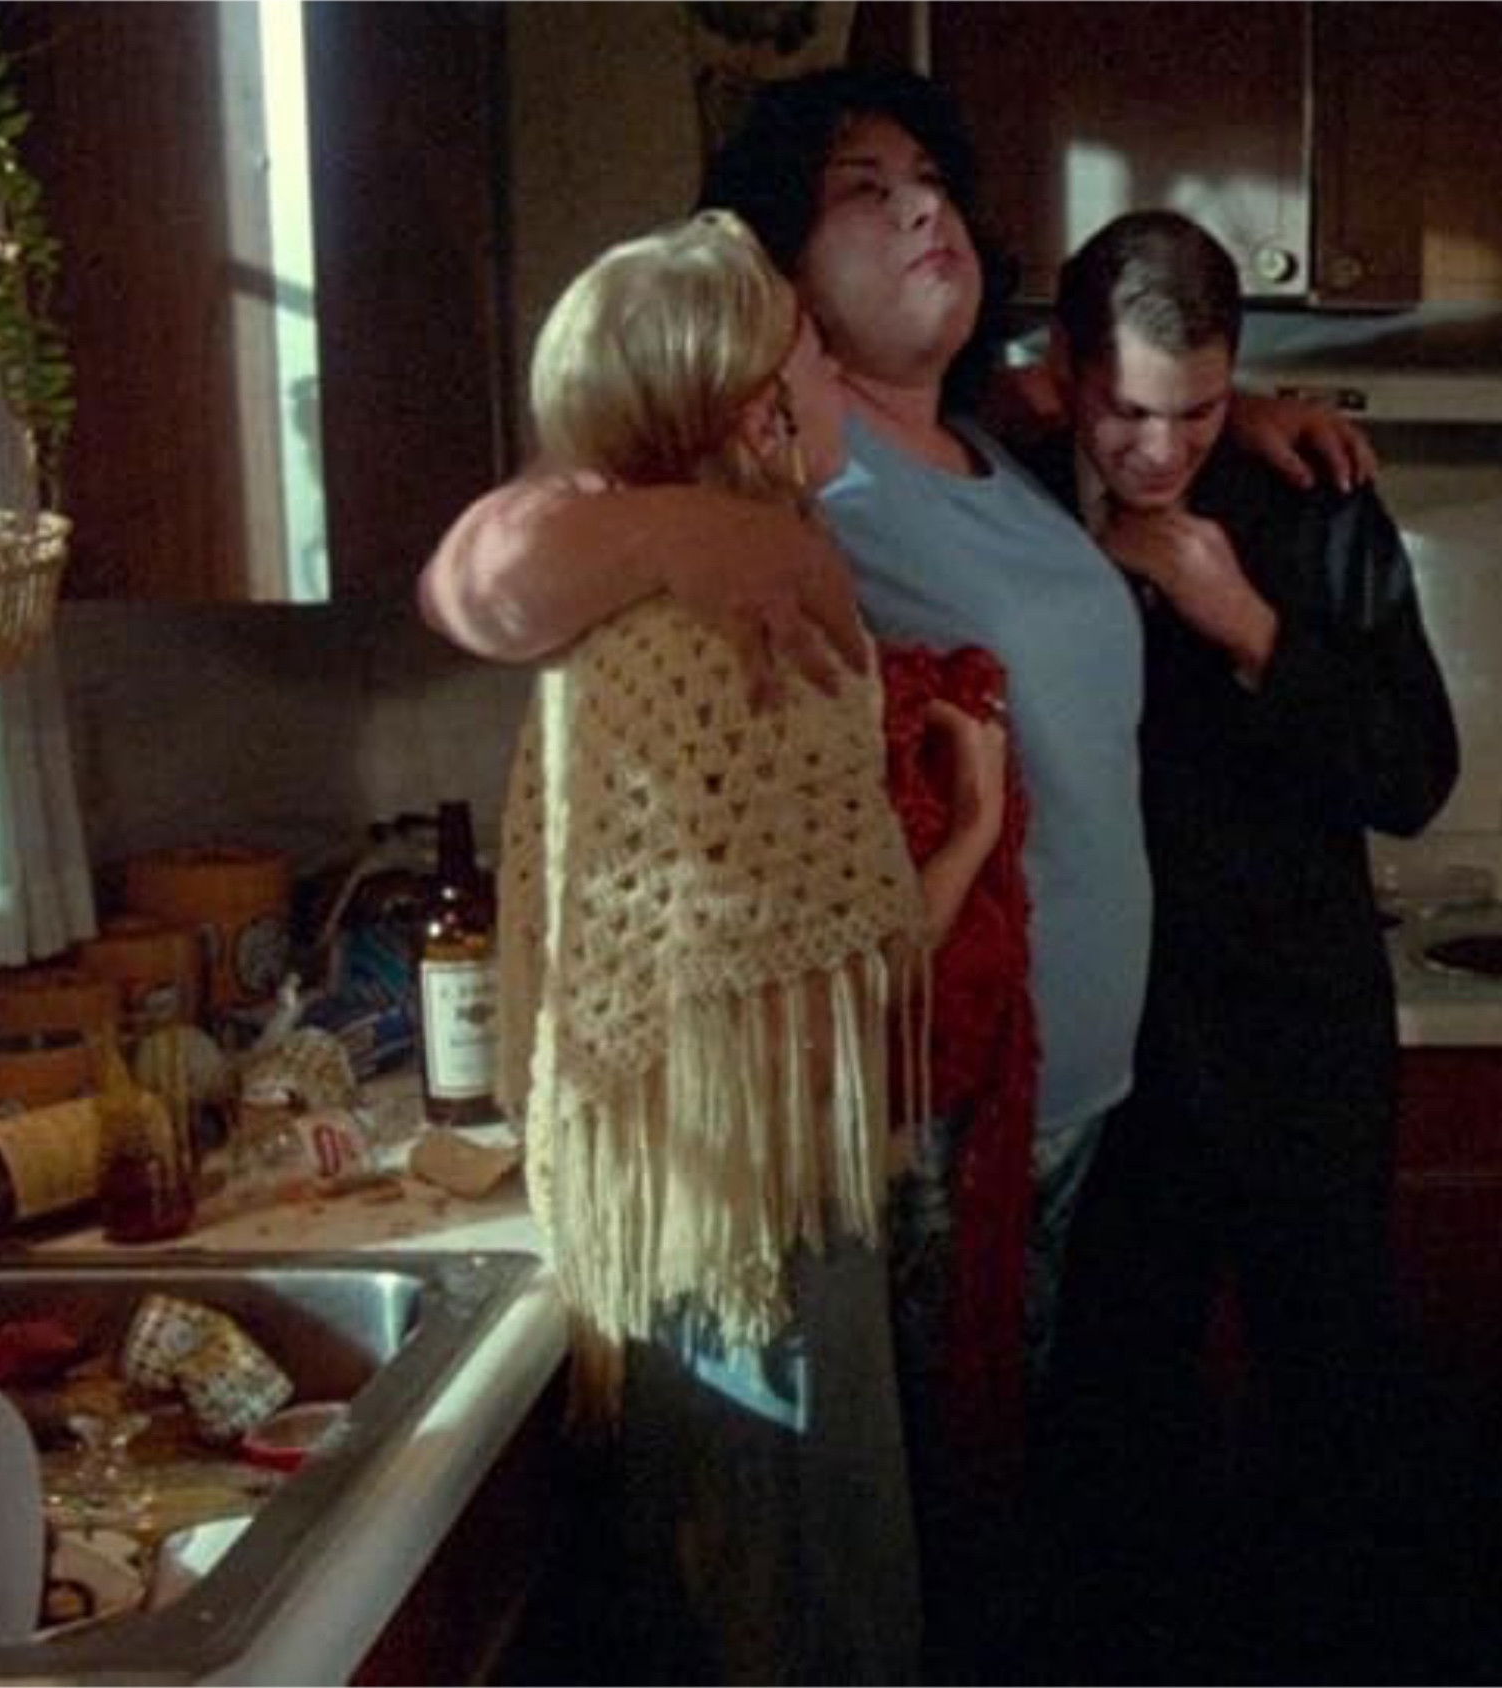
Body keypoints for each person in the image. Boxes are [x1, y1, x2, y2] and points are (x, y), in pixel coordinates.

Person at [416, 66, 1378, 1675]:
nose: (922, 203)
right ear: (778, 282)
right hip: (933, 1116)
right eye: (863, 189)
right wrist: (670, 535)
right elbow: (474, 580)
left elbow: (1120, 402)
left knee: (1009, 1534)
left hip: (1077, 1107)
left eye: (930, 176)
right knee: (907, 1571)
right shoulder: (771, 461)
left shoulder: (992, 439)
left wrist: (1236, 423)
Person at [492, 209, 1008, 1684]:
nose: (839, 377)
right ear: (754, 412)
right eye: (814, 358)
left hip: (665, 1212)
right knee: (809, 1624)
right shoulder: (765, 627)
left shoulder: (619, 612)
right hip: (763, 1227)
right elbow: (860, 967)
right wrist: (972, 825)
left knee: (707, 1604)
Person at [1024, 210, 1459, 1670]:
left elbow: (1415, 773)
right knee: (1108, 1420)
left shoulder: (1312, 500)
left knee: (1338, 1406)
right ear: (1066, 371)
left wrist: (1248, 624)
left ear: (1238, 379)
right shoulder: (1004, 490)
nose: (1160, 449)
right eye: (1127, 411)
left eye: (1200, 409)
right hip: (1102, 1062)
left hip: (1297, 1044)